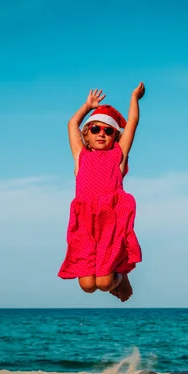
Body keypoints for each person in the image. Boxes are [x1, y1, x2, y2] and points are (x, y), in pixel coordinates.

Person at [58, 83, 146, 302]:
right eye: (95, 129)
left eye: (108, 131)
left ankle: (121, 275)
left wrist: (134, 97)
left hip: (110, 220)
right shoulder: (81, 156)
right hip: (85, 223)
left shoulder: (118, 155)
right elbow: (72, 124)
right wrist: (88, 106)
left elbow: (132, 123)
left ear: (114, 136)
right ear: (86, 134)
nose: (102, 134)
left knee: (105, 283)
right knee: (87, 286)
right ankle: (116, 275)